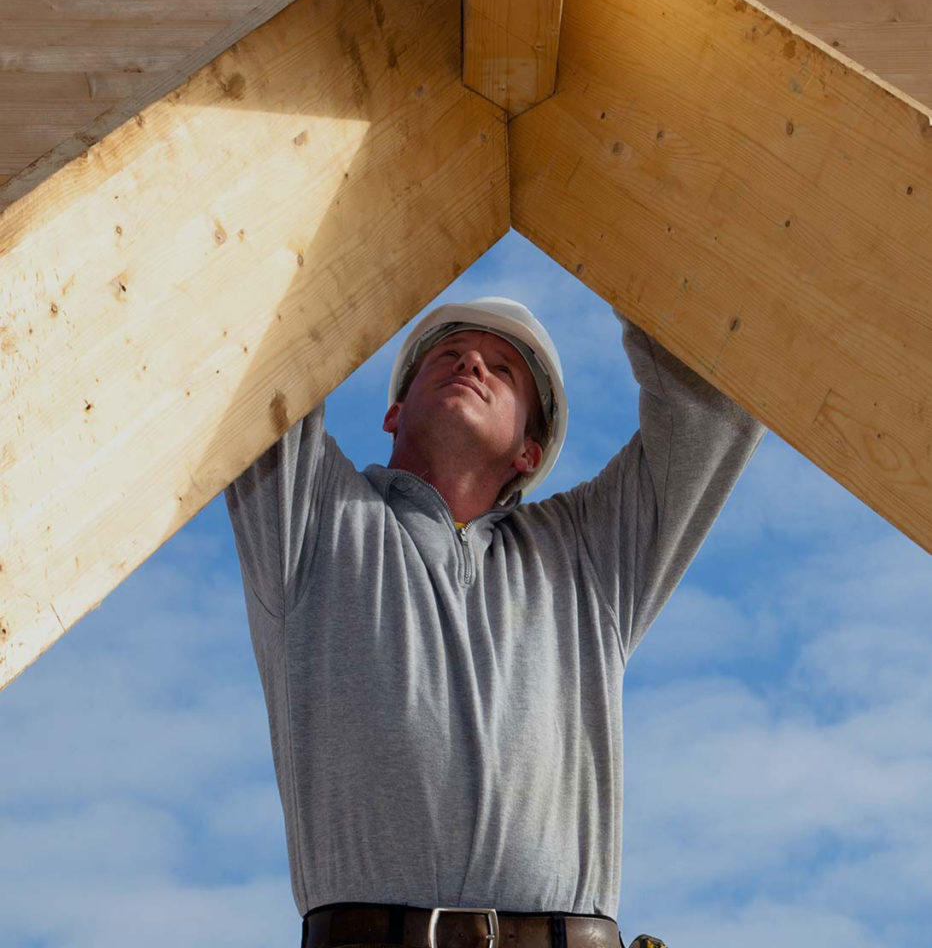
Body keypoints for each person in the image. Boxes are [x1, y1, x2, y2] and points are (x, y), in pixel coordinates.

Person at [224, 297, 765, 948]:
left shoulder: (590, 557)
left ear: (529, 452)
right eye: (448, 356)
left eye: (503, 370)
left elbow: (713, 395)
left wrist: (607, 221)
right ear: (394, 412)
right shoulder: (311, 514)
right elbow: (253, 343)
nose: (473, 361)